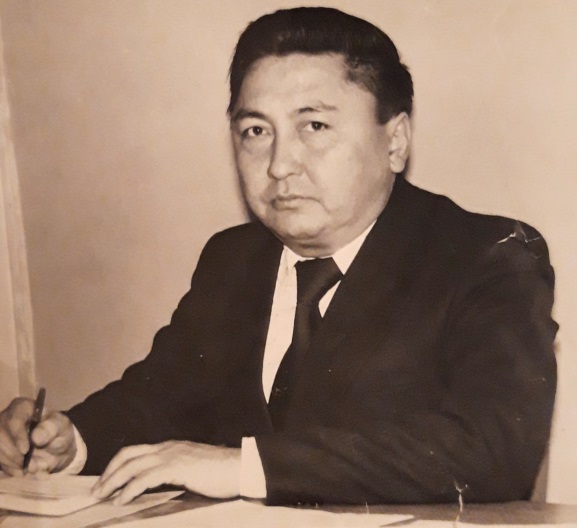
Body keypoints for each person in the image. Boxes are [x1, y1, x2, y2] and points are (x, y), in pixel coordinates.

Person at [0, 7, 557, 506]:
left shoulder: (488, 256)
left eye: (314, 126)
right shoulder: (232, 259)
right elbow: (162, 393)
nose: (278, 164)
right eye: (255, 131)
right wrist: (72, 439)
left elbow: (494, 448)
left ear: (395, 141)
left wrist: (245, 467)